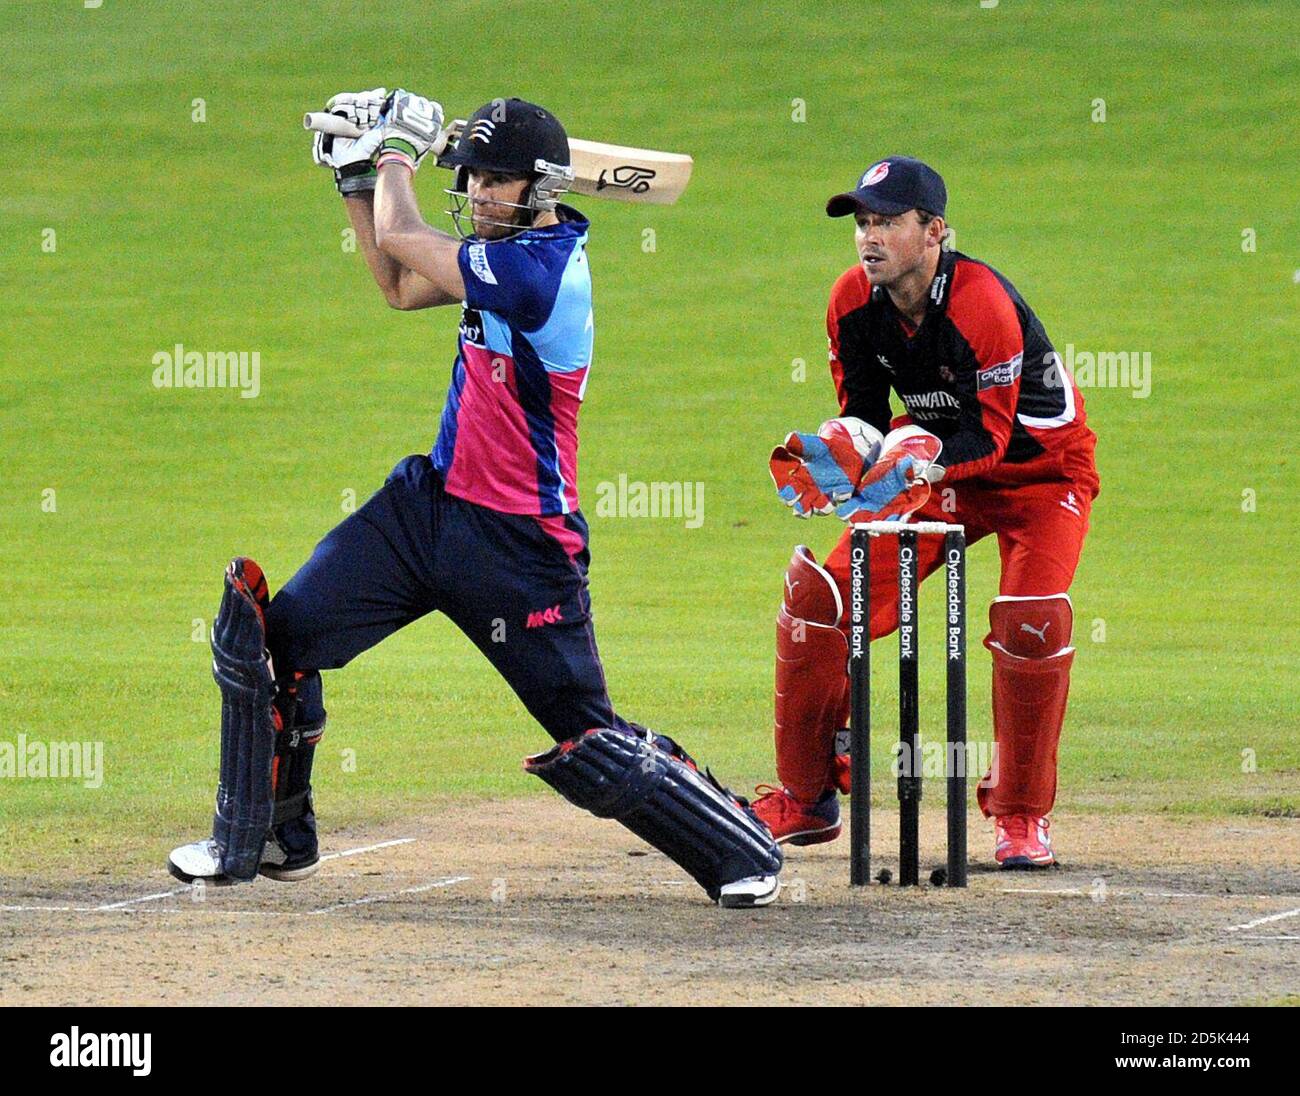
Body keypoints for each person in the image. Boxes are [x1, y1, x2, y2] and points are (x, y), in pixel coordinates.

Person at [167, 90, 780, 908]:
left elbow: (402, 234)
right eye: (472, 178)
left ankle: (742, 850)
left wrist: (391, 156)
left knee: (586, 736)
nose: (479, 195)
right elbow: (396, 282)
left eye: (495, 181)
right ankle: (276, 837)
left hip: (522, 544)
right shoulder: (499, 256)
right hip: (427, 512)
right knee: (275, 643)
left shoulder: (541, 272)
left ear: (541, 188)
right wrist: (357, 177)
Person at [756, 156, 1099, 868]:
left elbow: (990, 438)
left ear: (934, 230)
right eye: (861, 222)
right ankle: (807, 796)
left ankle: (1021, 816)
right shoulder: (852, 299)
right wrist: (848, 461)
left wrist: (913, 461)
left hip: (1040, 473)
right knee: (817, 599)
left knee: (1031, 621)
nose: (867, 238)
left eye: (886, 222)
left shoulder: (982, 304)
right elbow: (861, 415)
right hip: (937, 465)